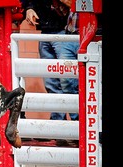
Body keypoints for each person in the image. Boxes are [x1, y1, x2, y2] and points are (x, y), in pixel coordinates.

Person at [23, 0, 79, 146]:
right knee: (54, 82)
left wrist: (29, 8)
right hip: (50, 30)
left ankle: (76, 127)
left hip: (63, 31)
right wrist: (29, 8)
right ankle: (60, 128)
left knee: (67, 82)